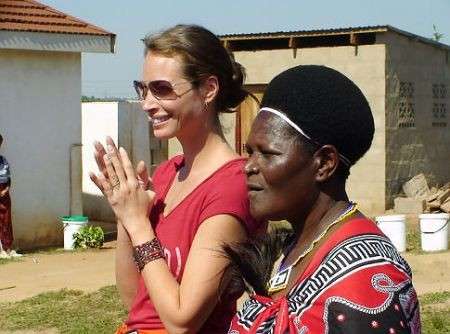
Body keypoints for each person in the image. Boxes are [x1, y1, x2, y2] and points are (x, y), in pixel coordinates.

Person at [224, 65, 421, 333]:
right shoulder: (291, 250)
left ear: (324, 164)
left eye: (267, 153)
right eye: (249, 152)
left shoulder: (363, 277)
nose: (249, 166)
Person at [90, 24, 260, 334]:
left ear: (208, 89)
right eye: (143, 89)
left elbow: (182, 320)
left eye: (162, 89)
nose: (147, 104)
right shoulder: (168, 172)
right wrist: (125, 216)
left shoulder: (233, 186)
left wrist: (139, 224)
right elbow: (136, 302)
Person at [0, 134, 21, 259]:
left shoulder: (3, 160)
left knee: (6, 220)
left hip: (4, 192)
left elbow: (9, 179)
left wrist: (6, 190)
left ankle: (8, 248)